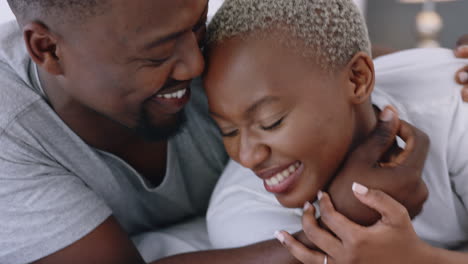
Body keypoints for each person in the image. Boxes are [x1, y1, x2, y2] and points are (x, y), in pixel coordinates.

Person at [0, 0, 434, 263]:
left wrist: (445, 68)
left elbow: (326, 62)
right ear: (47, 49)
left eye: (197, 27)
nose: (195, 65)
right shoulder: (10, 135)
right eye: (156, 55)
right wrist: (339, 224)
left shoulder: (170, 31)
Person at [203, 0, 468, 263]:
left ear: (357, 80)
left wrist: (420, 258)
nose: (248, 157)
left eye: (271, 122)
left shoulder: (454, 106)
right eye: (229, 131)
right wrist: (346, 218)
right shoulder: (241, 212)